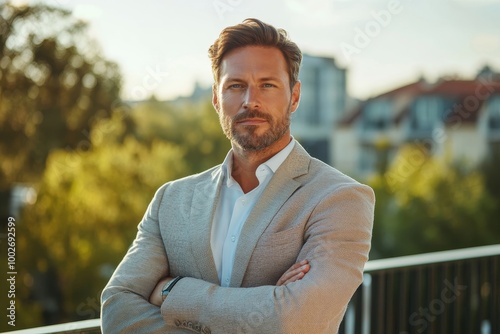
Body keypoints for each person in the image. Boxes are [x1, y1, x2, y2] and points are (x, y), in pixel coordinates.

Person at [101, 18, 374, 334]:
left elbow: (297, 321)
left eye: (267, 85)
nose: (250, 101)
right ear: (217, 99)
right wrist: (272, 300)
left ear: (294, 97)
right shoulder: (170, 200)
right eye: (236, 86)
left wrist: (171, 291)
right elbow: (118, 309)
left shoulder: (340, 198)